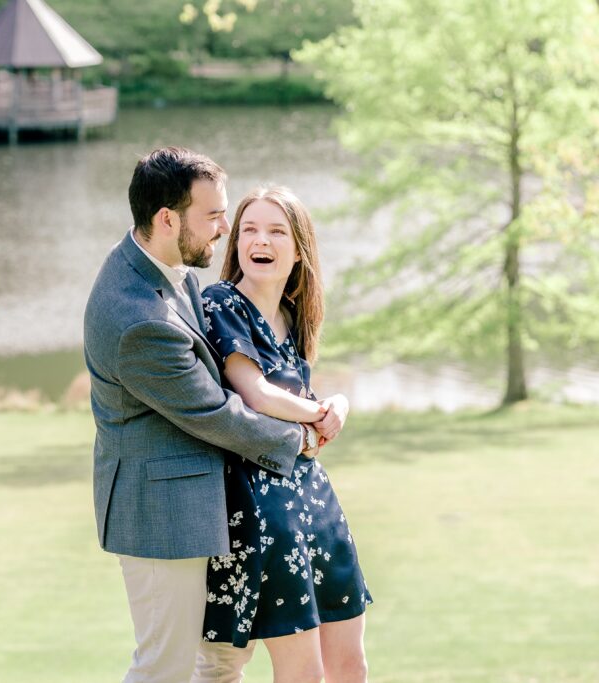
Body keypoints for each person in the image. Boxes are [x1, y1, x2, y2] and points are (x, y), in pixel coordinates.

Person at [84, 148, 328, 683]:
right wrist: (299, 438)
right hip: (159, 511)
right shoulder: (138, 321)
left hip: (192, 501)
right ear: (167, 219)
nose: (225, 229)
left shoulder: (162, 268)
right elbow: (214, 412)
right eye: (214, 216)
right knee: (163, 670)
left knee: (199, 666)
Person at [196, 186, 372, 683]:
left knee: (350, 664)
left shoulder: (293, 318)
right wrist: (321, 411)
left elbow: (297, 400)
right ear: (236, 245)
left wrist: (337, 403)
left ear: (299, 250)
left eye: (276, 231)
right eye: (249, 229)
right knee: (304, 674)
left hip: (314, 494)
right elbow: (254, 392)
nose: (261, 240)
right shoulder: (221, 303)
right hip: (262, 504)